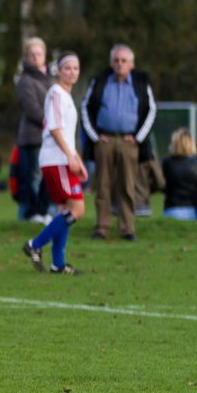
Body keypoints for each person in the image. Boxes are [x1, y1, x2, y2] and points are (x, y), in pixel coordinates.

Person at [80, 44, 157, 241]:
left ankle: (127, 228)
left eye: (124, 60)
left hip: (128, 141)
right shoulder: (100, 80)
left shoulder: (141, 82)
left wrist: (138, 137)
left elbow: (151, 110)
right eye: (116, 60)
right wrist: (95, 136)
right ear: (111, 62)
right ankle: (102, 227)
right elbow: (85, 107)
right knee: (103, 185)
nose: (120, 64)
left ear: (131, 63)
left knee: (127, 185)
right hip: (104, 139)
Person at [22, 55, 88, 275]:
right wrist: (70, 156)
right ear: (59, 70)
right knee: (77, 209)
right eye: (67, 68)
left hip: (63, 158)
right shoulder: (56, 93)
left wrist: (77, 159)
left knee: (64, 210)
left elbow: (67, 134)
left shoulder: (67, 96)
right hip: (56, 159)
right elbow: (54, 128)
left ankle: (57, 264)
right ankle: (35, 244)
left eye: (75, 68)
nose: (71, 72)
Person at [15, 37, 52, 222]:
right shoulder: (25, 81)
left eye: (38, 54)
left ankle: (44, 210)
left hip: (49, 137)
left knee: (46, 176)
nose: (35, 58)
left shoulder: (49, 79)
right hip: (33, 137)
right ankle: (32, 212)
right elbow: (32, 110)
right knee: (34, 177)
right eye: (31, 55)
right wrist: (52, 123)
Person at [161, 128, 197, 221]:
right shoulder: (195, 162)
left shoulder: (167, 163)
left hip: (171, 209)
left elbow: (160, 184)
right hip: (192, 210)